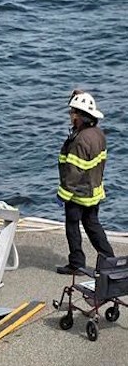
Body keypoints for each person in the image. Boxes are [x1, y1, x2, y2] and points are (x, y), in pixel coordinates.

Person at [55, 90, 114, 275]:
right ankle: (108, 260)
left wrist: (62, 194)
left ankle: (77, 264)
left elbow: (73, 172)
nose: (70, 116)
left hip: (77, 194)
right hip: (93, 191)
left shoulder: (80, 140)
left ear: (80, 117)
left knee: (72, 228)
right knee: (93, 226)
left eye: (73, 113)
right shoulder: (98, 134)